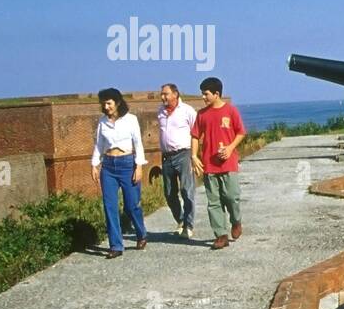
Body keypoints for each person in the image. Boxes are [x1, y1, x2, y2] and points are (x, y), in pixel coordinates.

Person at [90, 88, 148, 259]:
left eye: (109, 103)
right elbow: (99, 145)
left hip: (127, 164)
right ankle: (115, 245)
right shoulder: (102, 122)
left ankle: (141, 233)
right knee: (110, 206)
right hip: (108, 166)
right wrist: (94, 164)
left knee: (132, 205)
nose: (106, 106)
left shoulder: (130, 120)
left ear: (118, 103)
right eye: (103, 103)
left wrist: (139, 167)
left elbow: (138, 144)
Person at [190, 77, 246, 250]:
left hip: (228, 164)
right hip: (209, 164)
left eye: (206, 94)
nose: (203, 97)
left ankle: (236, 221)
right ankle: (221, 235)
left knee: (231, 196)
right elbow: (195, 136)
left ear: (216, 94)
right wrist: (194, 156)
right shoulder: (202, 114)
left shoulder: (231, 111)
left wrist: (230, 148)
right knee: (213, 201)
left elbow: (241, 132)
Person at [157, 83, 197, 239]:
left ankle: (189, 225)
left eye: (165, 94)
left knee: (187, 190)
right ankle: (180, 220)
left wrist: (195, 155)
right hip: (166, 156)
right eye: (162, 94)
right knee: (169, 193)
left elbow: (197, 133)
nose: (162, 97)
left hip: (184, 154)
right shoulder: (160, 111)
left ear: (175, 94)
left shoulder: (187, 111)